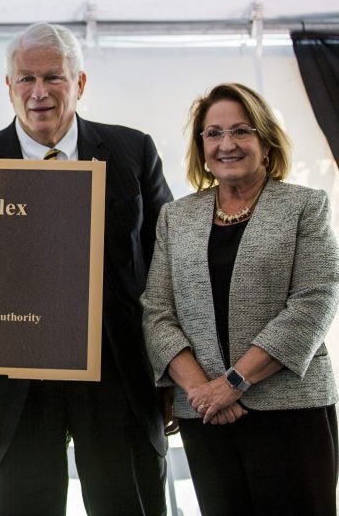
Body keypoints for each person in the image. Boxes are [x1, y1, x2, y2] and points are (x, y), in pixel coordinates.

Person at [0, 22, 172, 516]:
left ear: (80, 83)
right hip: (12, 382)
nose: (39, 92)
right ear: (8, 87)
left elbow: (168, 267)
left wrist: (170, 373)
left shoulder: (133, 152)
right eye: (25, 79)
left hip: (119, 376)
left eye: (53, 77)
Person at [141, 82, 339, 515]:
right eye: (213, 133)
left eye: (241, 131)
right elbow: (157, 311)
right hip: (207, 415)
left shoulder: (305, 206)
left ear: (266, 143)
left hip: (289, 411)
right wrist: (201, 390)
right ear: (201, 147)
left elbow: (314, 302)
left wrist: (233, 384)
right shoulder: (176, 216)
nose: (226, 144)